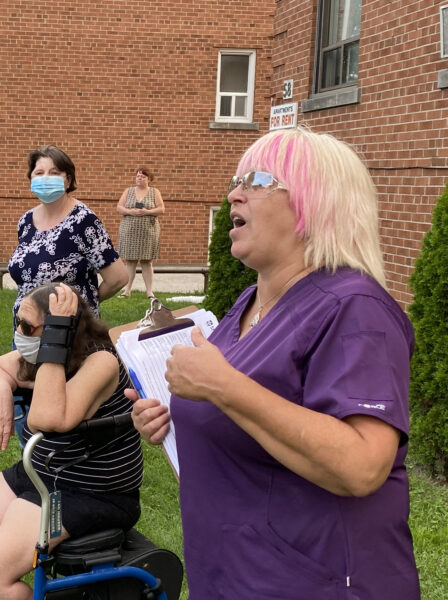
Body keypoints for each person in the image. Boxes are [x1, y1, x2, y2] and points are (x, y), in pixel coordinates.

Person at [129, 128, 420, 599]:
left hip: (315, 582)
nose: (234, 193)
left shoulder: (355, 308)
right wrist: (177, 413)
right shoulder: (251, 301)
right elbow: (249, 416)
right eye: (237, 179)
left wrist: (223, 388)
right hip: (231, 574)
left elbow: (362, 465)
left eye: (259, 179)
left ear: (315, 203)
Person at [0, 283, 143, 598]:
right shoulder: (43, 356)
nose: (19, 331)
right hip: (42, 474)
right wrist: (1, 390)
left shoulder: (101, 361)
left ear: (62, 330)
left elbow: (49, 418)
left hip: (92, 493)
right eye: (19, 321)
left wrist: (55, 336)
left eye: (27, 326)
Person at [8, 145, 126, 328]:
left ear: (68, 180)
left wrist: (82, 305)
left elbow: (118, 277)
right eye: (39, 172)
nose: (45, 178)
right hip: (26, 329)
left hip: (67, 332)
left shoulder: (83, 221)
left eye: (54, 172)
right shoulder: (26, 221)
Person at [116, 166, 165, 298]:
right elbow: (119, 208)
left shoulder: (155, 192)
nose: (139, 178)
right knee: (130, 261)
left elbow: (161, 209)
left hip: (148, 231)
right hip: (129, 230)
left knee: (146, 261)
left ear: (148, 179)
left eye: (142, 176)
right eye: (137, 176)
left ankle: (149, 292)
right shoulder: (128, 191)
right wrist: (130, 211)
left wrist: (147, 212)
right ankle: (127, 291)